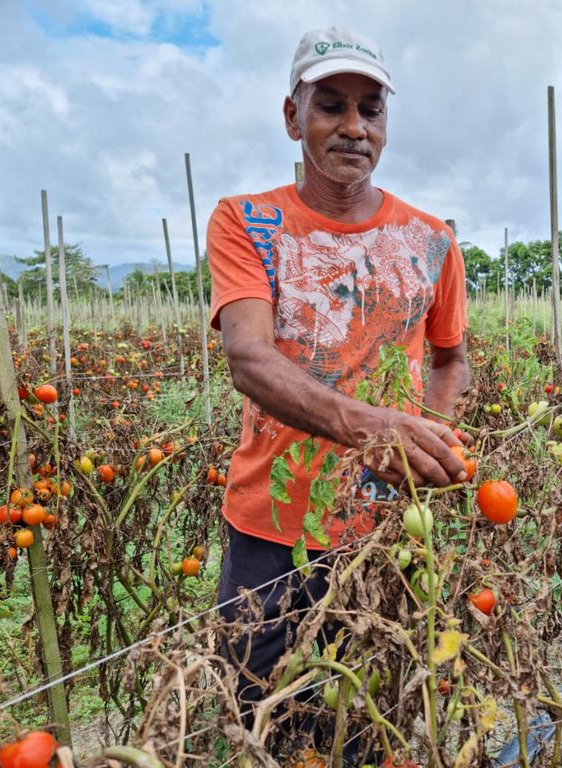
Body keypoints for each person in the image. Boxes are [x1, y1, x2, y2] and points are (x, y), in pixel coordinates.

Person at [205, 25, 471, 743]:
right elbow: (250, 358)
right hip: (268, 524)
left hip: (388, 524)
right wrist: (378, 429)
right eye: (330, 106)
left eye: (370, 109)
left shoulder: (431, 240)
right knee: (263, 711)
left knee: (376, 705)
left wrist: (428, 439)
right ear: (293, 118)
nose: (353, 127)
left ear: (385, 126)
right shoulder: (247, 222)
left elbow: (451, 359)